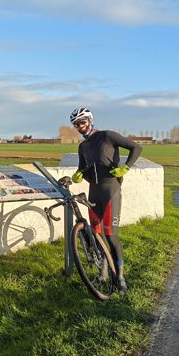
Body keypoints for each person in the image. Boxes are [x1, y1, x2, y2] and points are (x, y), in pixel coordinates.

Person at [69, 107, 142, 293]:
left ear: (90, 120)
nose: (80, 126)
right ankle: (103, 273)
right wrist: (78, 174)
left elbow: (136, 147)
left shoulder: (107, 136)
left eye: (82, 122)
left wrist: (126, 167)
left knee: (110, 235)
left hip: (111, 190)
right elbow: (83, 168)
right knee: (97, 235)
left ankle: (120, 277)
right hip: (93, 193)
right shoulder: (83, 146)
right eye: (76, 124)